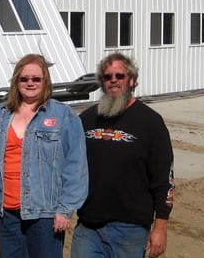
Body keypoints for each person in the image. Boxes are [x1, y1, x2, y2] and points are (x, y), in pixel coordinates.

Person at [0, 53, 88, 258]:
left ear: (45, 81)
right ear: (16, 81)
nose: (30, 83)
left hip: (44, 214)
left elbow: (76, 166)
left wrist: (65, 209)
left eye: (36, 79)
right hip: (6, 213)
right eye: (24, 79)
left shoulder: (63, 115)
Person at [71, 52, 175, 258]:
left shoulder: (151, 122)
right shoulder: (87, 119)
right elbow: (70, 166)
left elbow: (164, 179)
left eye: (120, 76)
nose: (113, 81)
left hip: (131, 229)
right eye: (107, 77)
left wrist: (160, 227)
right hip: (88, 226)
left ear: (132, 80)